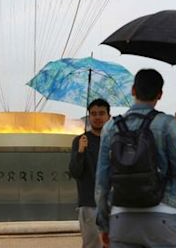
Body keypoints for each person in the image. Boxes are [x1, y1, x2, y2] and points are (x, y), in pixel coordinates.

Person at [95, 69, 176, 248]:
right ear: (160, 94)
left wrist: (103, 224)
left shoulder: (110, 126)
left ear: (133, 90)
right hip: (163, 215)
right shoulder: (166, 124)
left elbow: (102, 182)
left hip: (121, 217)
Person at [69, 98, 111, 248]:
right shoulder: (80, 140)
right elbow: (75, 172)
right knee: (92, 244)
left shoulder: (114, 140)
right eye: (93, 114)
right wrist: (80, 151)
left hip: (113, 203)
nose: (97, 117)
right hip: (89, 203)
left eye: (101, 113)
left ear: (109, 116)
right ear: (89, 116)